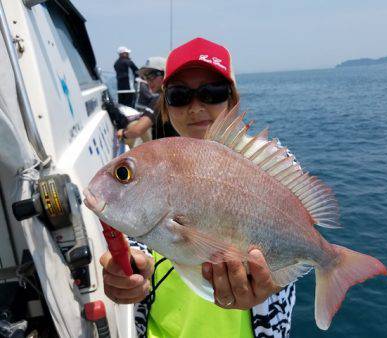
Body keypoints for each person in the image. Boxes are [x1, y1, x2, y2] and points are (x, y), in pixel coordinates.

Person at [100, 37, 296, 338]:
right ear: (165, 106)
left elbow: (286, 246)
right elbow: (143, 240)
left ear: (232, 99)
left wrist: (269, 285)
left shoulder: (270, 164)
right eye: (179, 95)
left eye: (212, 92)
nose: (196, 108)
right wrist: (133, 271)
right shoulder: (150, 167)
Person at [117, 56, 178, 146]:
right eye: (146, 77)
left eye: (152, 76)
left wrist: (122, 133)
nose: (148, 81)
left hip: (164, 154)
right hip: (176, 148)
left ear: (165, 74)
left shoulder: (159, 100)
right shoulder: (175, 95)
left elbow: (137, 131)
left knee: (132, 125)